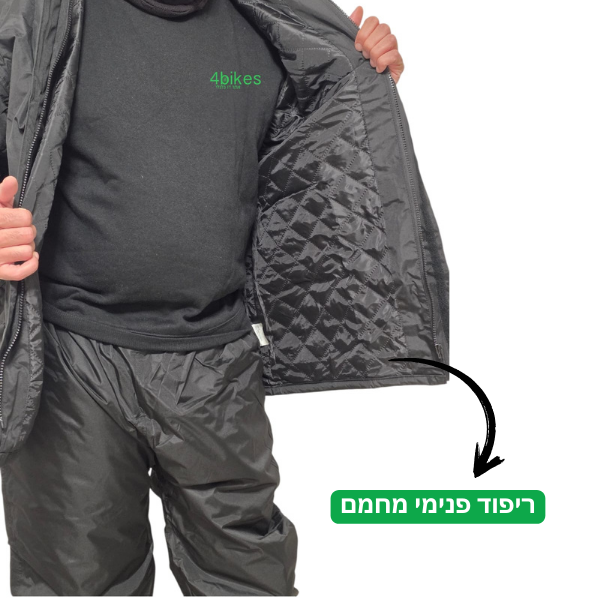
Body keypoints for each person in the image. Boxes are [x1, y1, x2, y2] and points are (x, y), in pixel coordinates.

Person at [0, 0, 448, 596]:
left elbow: (314, 141)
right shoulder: (38, 16)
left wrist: (359, 77)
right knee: (75, 584)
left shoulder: (274, 27)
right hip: (70, 363)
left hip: (217, 362)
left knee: (248, 579)